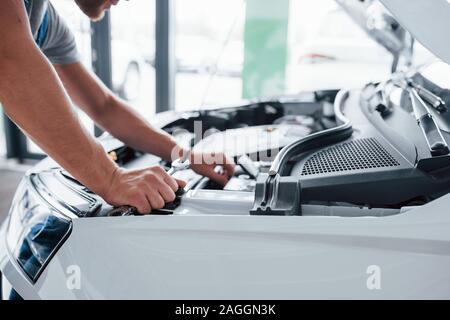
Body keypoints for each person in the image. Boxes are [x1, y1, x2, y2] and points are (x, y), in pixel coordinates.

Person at [0, 0, 235, 214]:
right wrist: (110, 178)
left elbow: (104, 106)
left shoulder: (45, 22)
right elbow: (10, 64)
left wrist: (184, 155)